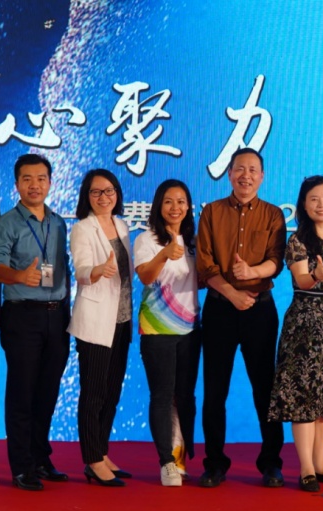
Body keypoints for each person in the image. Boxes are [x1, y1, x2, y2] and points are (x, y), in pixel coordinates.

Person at [195, 148, 286, 488]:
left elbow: (276, 260)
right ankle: (214, 463)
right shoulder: (211, 212)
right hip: (220, 308)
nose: (245, 175)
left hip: (259, 310)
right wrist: (232, 293)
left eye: (252, 170)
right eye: (239, 169)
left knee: (265, 388)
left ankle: (271, 463)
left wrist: (252, 273)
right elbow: (205, 264)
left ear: (262, 176)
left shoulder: (273, 215)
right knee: (214, 390)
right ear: (229, 173)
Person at [0, 153, 70, 491]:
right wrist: (19, 275)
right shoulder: (6, 223)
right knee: (22, 392)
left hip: (57, 315)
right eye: (27, 179)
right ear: (17, 184)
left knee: (48, 392)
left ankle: (40, 458)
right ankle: (22, 466)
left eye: (41, 179)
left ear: (50, 183)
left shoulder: (59, 223)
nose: (35, 185)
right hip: (22, 315)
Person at [268, 176, 323, 492]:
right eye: (314, 199)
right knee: (304, 394)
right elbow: (302, 280)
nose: (322, 204)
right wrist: (316, 276)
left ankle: (320, 464)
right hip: (306, 322)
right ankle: (305, 468)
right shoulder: (298, 240)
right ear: (304, 205)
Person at [67, 169, 132, 487]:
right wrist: (97, 270)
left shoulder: (122, 225)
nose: (104, 197)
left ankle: (102, 452)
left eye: (109, 191)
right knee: (93, 393)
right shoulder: (82, 228)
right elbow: (80, 270)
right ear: (87, 197)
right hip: (95, 322)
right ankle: (92, 460)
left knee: (112, 391)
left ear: (117, 193)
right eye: (96, 192)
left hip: (122, 320)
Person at [135, 179, 202, 487]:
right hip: (157, 327)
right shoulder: (146, 239)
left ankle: (181, 458)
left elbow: (201, 280)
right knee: (162, 395)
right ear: (158, 206)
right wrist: (163, 255)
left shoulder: (194, 241)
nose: (175, 207)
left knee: (185, 396)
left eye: (181, 201)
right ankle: (166, 462)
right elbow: (145, 277)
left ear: (188, 206)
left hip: (190, 328)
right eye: (168, 201)